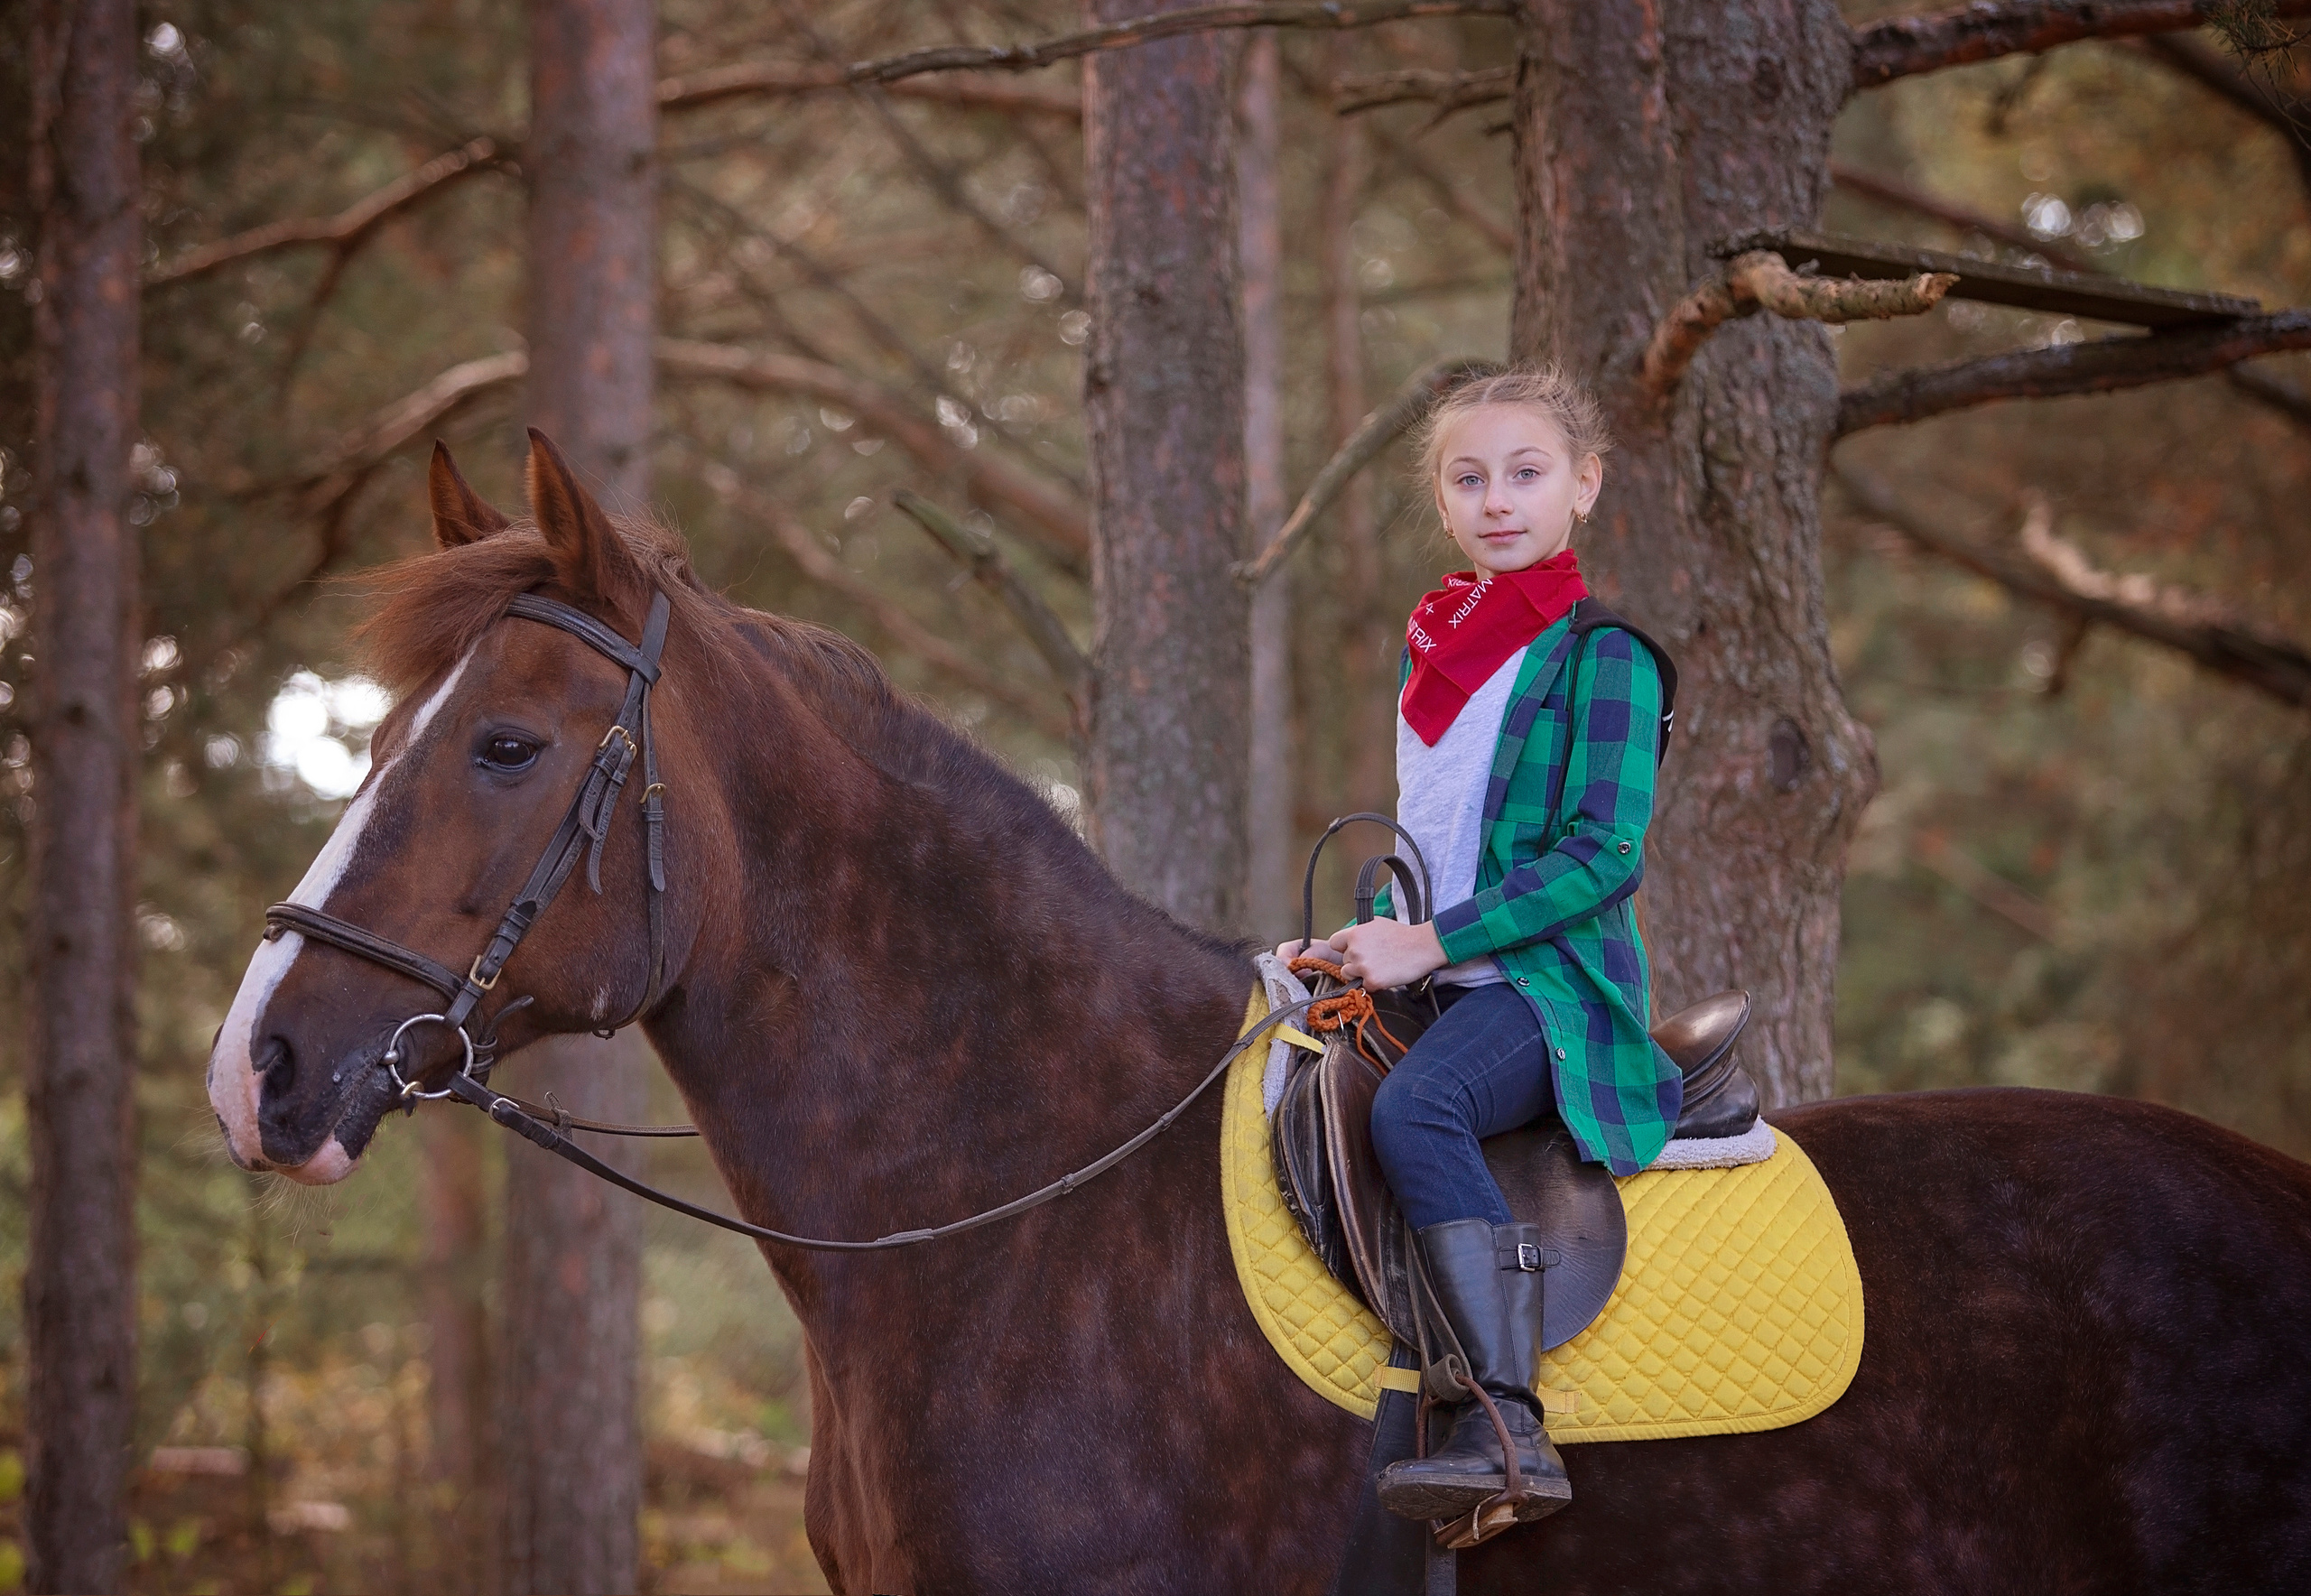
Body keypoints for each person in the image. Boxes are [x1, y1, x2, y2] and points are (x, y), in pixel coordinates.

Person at [1275, 367, 1680, 1525]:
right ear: (1443, 504)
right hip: (1445, 972)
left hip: (1543, 990)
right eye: (1469, 479)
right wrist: (1374, 940)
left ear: (1583, 486)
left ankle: (1505, 1422)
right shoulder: (1438, 652)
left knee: (1417, 1110)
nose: (1497, 500)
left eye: (1525, 473)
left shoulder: (1605, 655)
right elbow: (1446, 848)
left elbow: (1602, 855)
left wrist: (1431, 942)